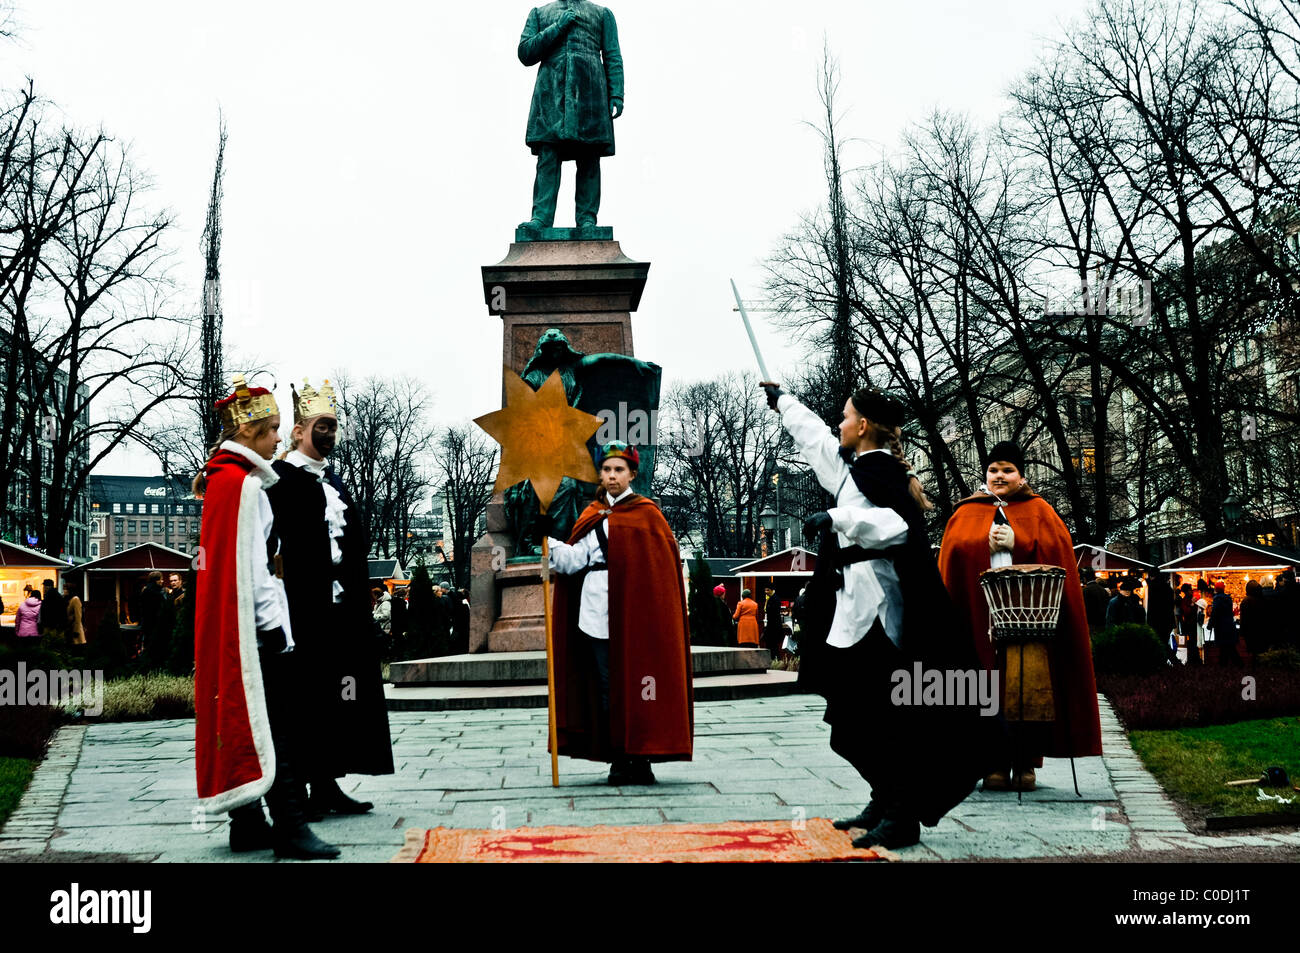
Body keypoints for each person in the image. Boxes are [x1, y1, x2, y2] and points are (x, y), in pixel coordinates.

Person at [765, 382, 1000, 850]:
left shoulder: (885, 474)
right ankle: (884, 796)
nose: (840, 423)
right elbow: (813, 436)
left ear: (864, 425)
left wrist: (839, 520)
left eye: (847, 416)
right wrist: (783, 401)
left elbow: (897, 528)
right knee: (849, 723)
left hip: (881, 610)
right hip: (849, 608)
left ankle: (902, 814)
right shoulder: (851, 470)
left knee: (880, 718)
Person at [192, 374, 338, 860]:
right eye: (274, 429)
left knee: (245, 719)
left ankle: (247, 822)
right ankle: (292, 828)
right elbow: (253, 570)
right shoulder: (244, 487)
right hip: (256, 634)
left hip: (233, 632)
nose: (279, 437)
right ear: (251, 434)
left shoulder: (223, 482)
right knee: (279, 726)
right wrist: (275, 631)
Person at [938, 440, 1102, 793]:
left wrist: (1019, 541)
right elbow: (955, 554)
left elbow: (1057, 554)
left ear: (1021, 475)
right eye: (994, 470)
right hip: (979, 618)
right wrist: (984, 544)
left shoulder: (1039, 511)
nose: (999, 476)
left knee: (1027, 686)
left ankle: (1026, 760)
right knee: (984, 687)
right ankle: (992, 762)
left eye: (1007, 470)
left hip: (1030, 620)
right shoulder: (966, 512)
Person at [267, 378, 394, 819]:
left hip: (341, 609)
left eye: (334, 427)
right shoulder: (279, 481)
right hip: (302, 609)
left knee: (341, 697)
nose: (329, 434)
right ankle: (301, 789)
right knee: (306, 700)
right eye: (322, 426)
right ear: (300, 429)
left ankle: (327, 782)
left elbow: (349, 546)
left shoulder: (334, 482)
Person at [546, 441, 693, 786]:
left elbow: (660, 572)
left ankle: (642, 756)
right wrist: (548, 544)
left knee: (643, 684)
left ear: (632, 475)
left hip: (640, 616)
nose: (612, 476)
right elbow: (574, 561)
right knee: (607, 685)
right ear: (600, 473)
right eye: (607, 470)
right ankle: (619, 756)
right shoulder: (592, 514)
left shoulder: (648, 515)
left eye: (619, 470)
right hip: (597, 613)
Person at [517, 1, 623, 237]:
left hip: (590, 92)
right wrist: (558, 26)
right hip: (550, 94)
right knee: (548, 157)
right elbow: (525, 52)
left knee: (589, 157)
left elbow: (613, 55)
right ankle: (541, 218)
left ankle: (587, 220)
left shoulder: (602, 14)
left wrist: (616, 92)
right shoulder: (540, 13)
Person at [1208, 579, 1240, 666]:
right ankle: (1226, 666)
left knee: (1226, 648)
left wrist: (1210, 625)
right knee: (1228, 648)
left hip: (1221, 627)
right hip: (1229, 626)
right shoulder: (1228, 598)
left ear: (1216, 589)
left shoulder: (1217, 599)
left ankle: (1233, 665)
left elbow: (1215, 613)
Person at [1239, 580, 1267, 657]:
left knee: (1253, 653)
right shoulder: (1263, 599)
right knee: (1262, 652)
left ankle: (1255, 667)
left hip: (1250, 631)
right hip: (1262, 630)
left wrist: (1242, 633)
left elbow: (1243, 619)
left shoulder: (1246, 601)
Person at [1081, 571, 1111, 636]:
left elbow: (1084, 607)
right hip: (1102, 621)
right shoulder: (1102, 589)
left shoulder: (1085, 590)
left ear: (1085, 578)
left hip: (1091, 622)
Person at [762, 588, 784, 657]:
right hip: (773, 626)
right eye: (765, 590)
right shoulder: (772, 598)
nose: (766, 592)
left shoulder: (774, 599)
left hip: (773, 627)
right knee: (774, 646)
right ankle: (775, 660)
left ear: (772, 590)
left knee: (773, 646)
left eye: (767, 590)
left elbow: (771, 613)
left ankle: (774, 660)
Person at [63, 581, 85, 647]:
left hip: (75, 629)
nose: (64, 591)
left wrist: (76, 630)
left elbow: (78, 616)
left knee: (76, 648)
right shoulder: (68, 600)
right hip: (69, 628)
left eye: (65, 589)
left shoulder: (75, 599)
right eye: (64, 589)